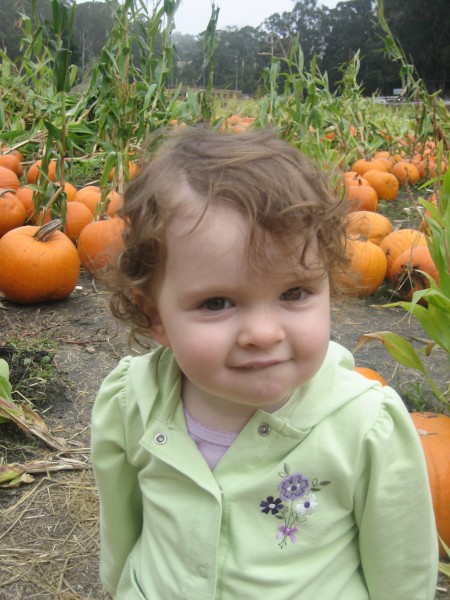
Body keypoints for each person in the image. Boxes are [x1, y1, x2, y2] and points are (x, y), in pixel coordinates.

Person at [91, 127, 438, 600]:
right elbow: (121, 519)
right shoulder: (133, 399)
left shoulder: (365, 425)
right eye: (216, 303)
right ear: (156, 316)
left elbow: (402, 570)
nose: (263, 334)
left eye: (294, 293)